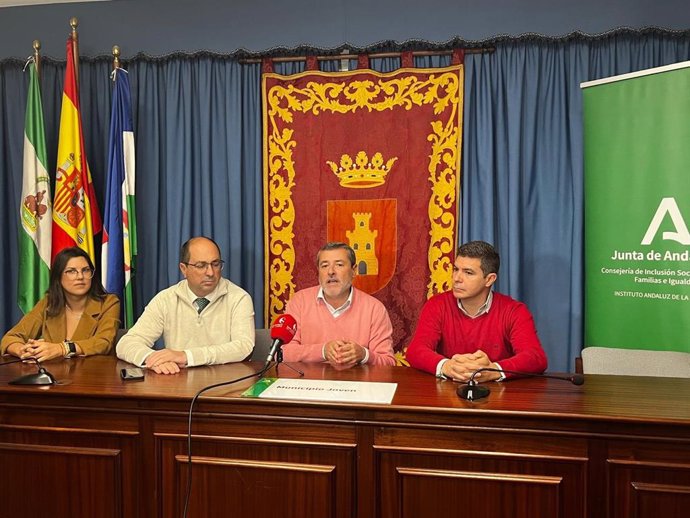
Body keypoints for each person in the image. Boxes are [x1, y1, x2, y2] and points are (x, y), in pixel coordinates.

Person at [406, 240, 547, 382]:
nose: (456, 278)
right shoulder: (437, 305)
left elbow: (535, 357)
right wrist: (447, 366)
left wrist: (494, 370)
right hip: (449, 393)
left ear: (489, 279)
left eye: (468, 272)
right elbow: (416, 350)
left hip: (499, 396)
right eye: (456, 269)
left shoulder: (514, 311)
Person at [116, 236, 254, 374]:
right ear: (183, 269)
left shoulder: (239, 298)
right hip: (177, 384)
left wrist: (186, 356)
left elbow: (243, 347)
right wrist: (152, 359)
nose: (211, 272)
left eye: (216, 264)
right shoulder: (166, 299)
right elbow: (126, 344)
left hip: (224, 385)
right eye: (201, 266)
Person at [281, 242, 395, 368]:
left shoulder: (374, 309)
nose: (331, 272)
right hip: (309, 384)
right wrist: (323, 351)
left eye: (339, 265)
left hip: (357, 384)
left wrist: (364, 355)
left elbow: (388, 363)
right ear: (318, 272)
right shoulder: (299, 301)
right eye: (324, 266)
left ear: (354, 270)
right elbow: (283, 353)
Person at [1, 247, 120, 361]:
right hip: (55, 375)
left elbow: (104, 342)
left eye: (86, 270)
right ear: (58, 277)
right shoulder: (49, 302)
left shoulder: (109, 302)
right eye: (71, 271)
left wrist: (63, 348)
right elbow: (10, 338)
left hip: (93, 376)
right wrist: (24, 351)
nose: (80, 276)